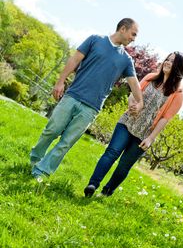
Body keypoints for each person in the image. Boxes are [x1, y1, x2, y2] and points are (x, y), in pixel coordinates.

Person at [30, 18, 143, 179]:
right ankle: (35, 159)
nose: (134, 39)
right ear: (123, 29)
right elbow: (74, 59)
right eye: (133, 34)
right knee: (51, 131)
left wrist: (140, 102)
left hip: (91, 108)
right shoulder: (95, 40)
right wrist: (60, 81)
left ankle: (42, 171)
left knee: (66, 142)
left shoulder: (126, 60)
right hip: (73, 96)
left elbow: (134, 83)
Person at [84, 51, 183, 197]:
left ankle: (107, 191)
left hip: (144, 133)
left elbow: (165, 118)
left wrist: (151, 138)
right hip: (128, 122)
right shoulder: (151, 78)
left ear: (179, 67)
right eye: (167, 59)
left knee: (124, 165)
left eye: (172, 61)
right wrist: (132, 104)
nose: (167, 62)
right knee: (111, 152)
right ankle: (93, 184)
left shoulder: (178, 94)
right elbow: (133, 93)